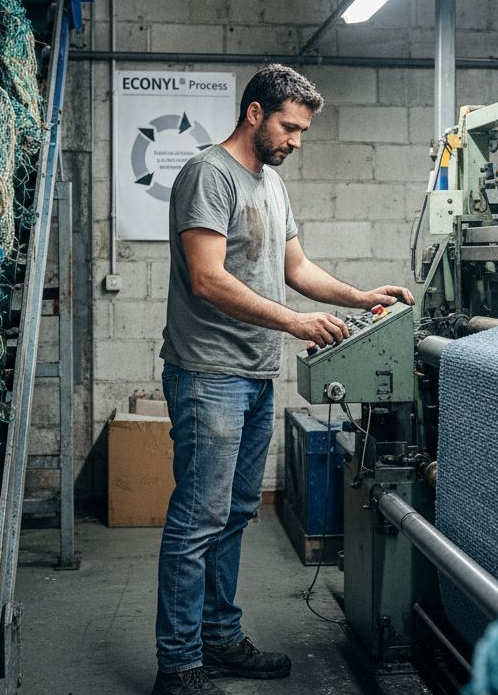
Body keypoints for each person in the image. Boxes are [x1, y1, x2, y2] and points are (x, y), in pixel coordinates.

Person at [152, 64, 414, 695]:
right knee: (198, 519)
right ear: (254, 113)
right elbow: (207, 278)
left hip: (254, 373)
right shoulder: (208, 176)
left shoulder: (270, 184)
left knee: (237, 512)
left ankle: (219, 638)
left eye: (301, 131)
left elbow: (295, 265)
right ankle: (179, 666)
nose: (296, 141)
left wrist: (360, 297)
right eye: (290, 127)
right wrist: (296, 324)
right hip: (209, 375)